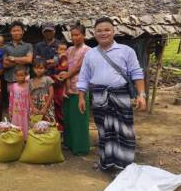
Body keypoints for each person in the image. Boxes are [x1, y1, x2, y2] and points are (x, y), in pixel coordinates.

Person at [77, 17, 146, 171]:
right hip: (99, 96)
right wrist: (81, 97)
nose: (103, 33)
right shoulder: (90, 54)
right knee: (104, 131)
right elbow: (84, 77)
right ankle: (106, 163)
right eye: (99, 31)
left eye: (107, 30)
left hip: (120, 95)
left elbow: (137, 73)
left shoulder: (126, 51)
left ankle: (124, 166)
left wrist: (141, 94)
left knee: (124, 131)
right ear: (94, 34)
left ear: (114, 31)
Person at [61, 24, 91, 155]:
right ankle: (70, 144)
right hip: (69, 88)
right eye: (72, 35)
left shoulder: (88, 50)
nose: (74, 37)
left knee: (80, 118)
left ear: (84, 35)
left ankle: (81, 148)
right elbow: (66, 67)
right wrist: (65, 85)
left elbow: (79, 67)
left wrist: (66, 75)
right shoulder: (69, 50)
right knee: (68, 118)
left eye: (77, 34)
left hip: (81, 88)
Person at [3, 21, 33, 91]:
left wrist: (13, 58)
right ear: (11, 32)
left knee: (25, 100)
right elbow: (5, 64)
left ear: (22, 32)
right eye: (14, 31)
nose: (16, 33)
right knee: (12, 101)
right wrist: (23, 60)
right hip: (10, 79)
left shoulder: (28, 46)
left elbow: (29, 60)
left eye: (18, 30)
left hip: (25, 80)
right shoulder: (6, 47)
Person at [29, 58, 55, 123]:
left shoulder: (48, 79)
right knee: (34, 124)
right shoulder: (30, 81)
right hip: (34, 106)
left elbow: (51, 93)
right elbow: (28, 95)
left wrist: (45, 107)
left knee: (47, 124)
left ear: (45, 69)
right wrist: (33, 107)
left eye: (41, 68)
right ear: (33, 69)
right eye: (36, 68)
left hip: (46, 105)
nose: (38, 70)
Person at [8, 66, 29, 139]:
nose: (20, 77)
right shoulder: (13, 86)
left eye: (22, 75)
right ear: (15, 76)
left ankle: (25, 140)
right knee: (16, 126)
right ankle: (17, 141)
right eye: (18, 75)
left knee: (25, 125)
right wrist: (10, 111)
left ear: (26, 75)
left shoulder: (29, 86)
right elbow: (11, 99)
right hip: (16, 111)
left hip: (26, 111)